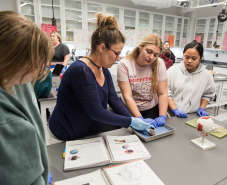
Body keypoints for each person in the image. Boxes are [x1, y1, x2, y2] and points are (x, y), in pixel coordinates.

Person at [49, 13, 153, 142]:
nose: (117, 59)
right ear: (102, 47)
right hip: (64, 136)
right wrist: (130, 121)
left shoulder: (103, 69)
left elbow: (114, 99)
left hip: (88, 135)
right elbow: (96, 112)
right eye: (116, 54)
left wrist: (137, 120)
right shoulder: (80, 70)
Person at [0, 11, 53, 184]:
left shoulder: (17, 81)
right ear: (11, 60)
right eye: (35, 64)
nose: (39, 70)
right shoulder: (7, 123)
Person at [117, 34, 168, 128]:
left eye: (156, 55)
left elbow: (163, 93)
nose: (151, 57)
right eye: (149, 52)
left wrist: (162, 115)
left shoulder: (159, 64)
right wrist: (139, 118)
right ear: (140, 47)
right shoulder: (125, 64)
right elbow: (127, 96)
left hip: (151, 108)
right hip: (129, 109)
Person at [167, 40, 216, 118]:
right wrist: (175, 110)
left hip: (193, 114)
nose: (189, 61)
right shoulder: (172, 70)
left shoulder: (206, 75)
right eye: (186, 57)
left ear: (200, 58)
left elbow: (208, 94)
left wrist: (201, 108)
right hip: (171, 114)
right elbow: (166, 93)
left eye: (194, 58)